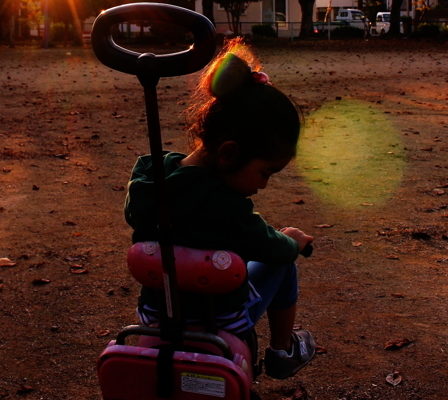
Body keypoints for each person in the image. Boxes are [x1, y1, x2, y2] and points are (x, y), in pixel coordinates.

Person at [124, 39, 316, 380]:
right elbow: (271, 247)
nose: (264, 185)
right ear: (228, 154)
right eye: (265, 173)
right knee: (283, 265)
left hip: (157, 314)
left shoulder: (151, 178)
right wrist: (293, 242)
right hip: (217, 319)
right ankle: (281, 353)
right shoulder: (229, 209)